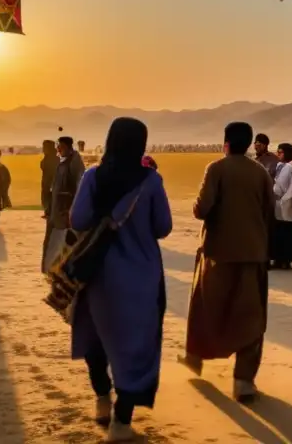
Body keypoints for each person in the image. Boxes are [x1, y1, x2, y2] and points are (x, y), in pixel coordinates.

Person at [70, 118, 172, 442]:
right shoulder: (151, 181)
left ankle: (102, 398)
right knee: (137, 346)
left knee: (96, 337)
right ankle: (121, 421)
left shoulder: (92, 176)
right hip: (142, 276)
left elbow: (77, 219)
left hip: (97, 275)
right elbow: (163, 227)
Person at [178, 122, 275, 403]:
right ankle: (244, 380)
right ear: (248, 143)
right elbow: (270, 211)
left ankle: (195, 357)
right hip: (253, 253)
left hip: (218, 254)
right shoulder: (260, 172)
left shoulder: (216, 169)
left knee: (206, 306)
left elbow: (202, 209)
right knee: (251, 316)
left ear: (226, 142)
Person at [43, 136, 86, 272]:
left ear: (68, 147)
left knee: (66, 241)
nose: (58, 149)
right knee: (54, 240)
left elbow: (79, 185)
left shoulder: (75, 163)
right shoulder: (63, 162)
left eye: (60, 147)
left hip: (66, 210)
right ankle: (52, 268)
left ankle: (62, 269)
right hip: (57, 209)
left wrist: (72, 207)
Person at [270, 143, 292, 270]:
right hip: (277, 204)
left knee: (288, 235)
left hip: (287, 205)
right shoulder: (277, 167)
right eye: (278, 152)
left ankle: (286, 261)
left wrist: (284, 200)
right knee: (278, 234)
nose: (278, 154)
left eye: (281, 152)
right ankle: (277, 259)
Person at [40, 140, 59, 218]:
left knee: (50, 198)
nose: (43, 149)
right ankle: (48, 212)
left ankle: (50, 213)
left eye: (45, 147)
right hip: (46, 182)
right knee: (46, 198)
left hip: (51, 183)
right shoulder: (48, 158)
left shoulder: (54, 159)